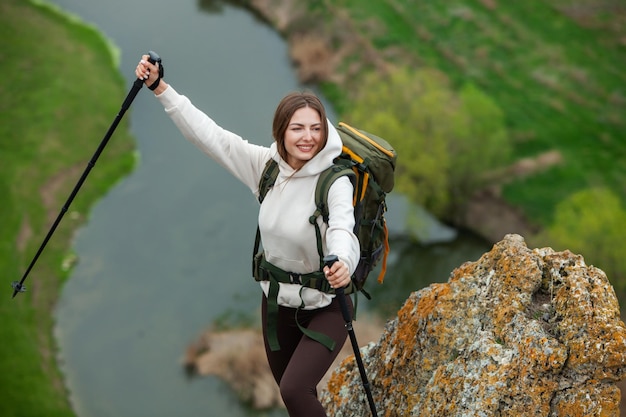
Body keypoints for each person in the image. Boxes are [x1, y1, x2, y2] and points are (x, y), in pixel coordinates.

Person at [136, 55, 360, 416]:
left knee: (295, 390)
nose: (307, 137)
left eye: (315, 128)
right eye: (297, 128)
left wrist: (343, 263)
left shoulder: (334, 181)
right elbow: (212, 138)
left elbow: (343, 229)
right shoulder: (267, 169)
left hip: (328, 304)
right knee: (295, 397)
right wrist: (160, 88)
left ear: (325, 132)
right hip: (276, 305)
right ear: (281, 131)